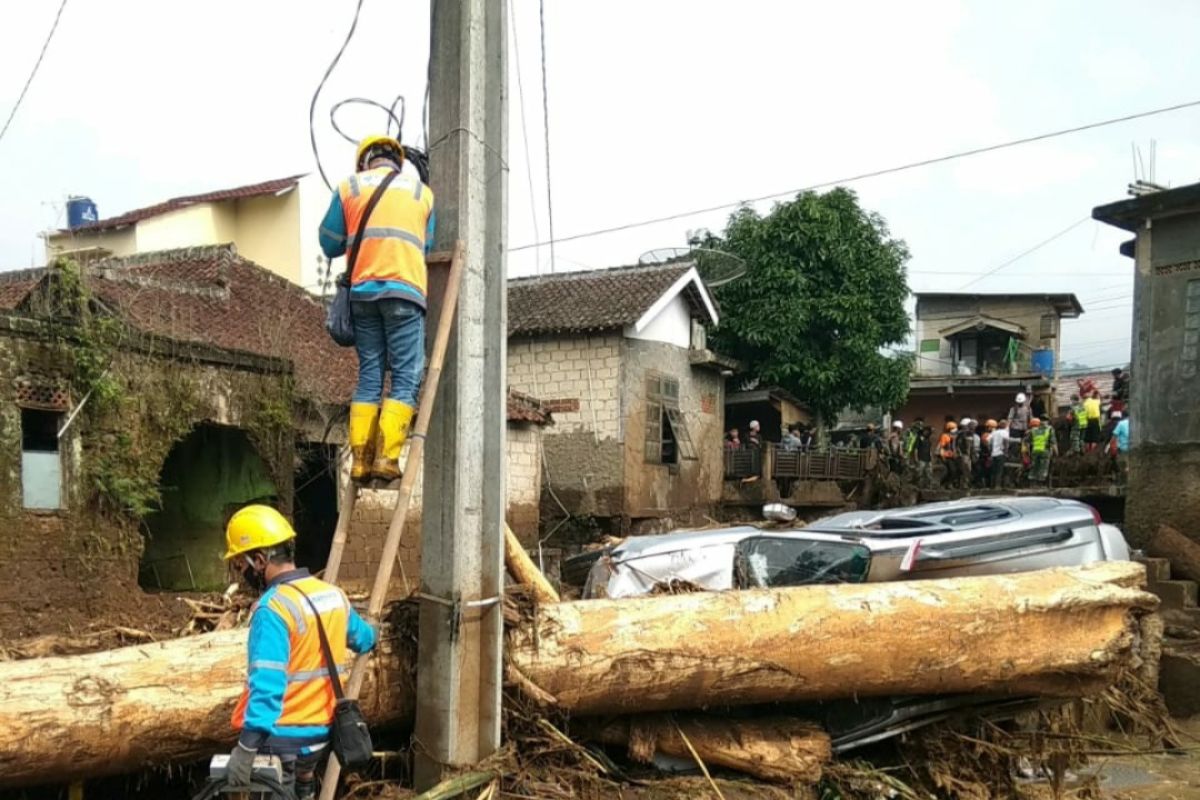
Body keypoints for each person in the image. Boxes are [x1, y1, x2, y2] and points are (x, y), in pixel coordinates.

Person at [222, 506, 377, 800]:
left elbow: (267, 685)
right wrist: (378, 631)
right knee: (304, 789)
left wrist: (246, 748)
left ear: (259, 560)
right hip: (320, 737)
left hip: (281, 740)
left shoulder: (273, 609)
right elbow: (363, 639)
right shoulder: (332, 595)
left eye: (240, 566)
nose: (241, 575)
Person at [320, 135, 436, 483]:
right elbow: (425, 245)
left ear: (364, 161)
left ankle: (359, 462)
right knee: (405, 376)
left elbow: (328, 243)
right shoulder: (421, 194)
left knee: (370, 374)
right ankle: (386, 458)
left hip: (363, 295)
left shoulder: (348, 188)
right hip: (405, 292)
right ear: (398, 162)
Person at [1023, 417, 1056, 485]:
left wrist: (1027, 451)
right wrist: (1056, 452)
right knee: (1043, 468)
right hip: (1045, 451)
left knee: (1034, 467)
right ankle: (1040, 484)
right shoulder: (1049, 429)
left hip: (1035, 451)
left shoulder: (1033, 430)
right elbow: (1053, 442)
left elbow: (1026, 441)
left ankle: (1032, 484)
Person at [955, 418, 976, 489]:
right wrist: (960, 453)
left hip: (967, 455)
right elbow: (959, 445)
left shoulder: (969, 434)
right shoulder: (962, 434)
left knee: (967, 470)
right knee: (965, 469)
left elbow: (971, 446)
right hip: (964, 455)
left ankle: (965, 484)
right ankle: (963, 485)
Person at [989, 419, 1011, 488]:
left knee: (994, 470)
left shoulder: (994, 432)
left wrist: (991, 451)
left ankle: (992, 485)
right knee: (1000, 470)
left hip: (993, 454)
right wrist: (1006, 452)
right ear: (1005, 425)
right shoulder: (1005, 432)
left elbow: (989, 442)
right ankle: (997, 485)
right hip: (1001, 453)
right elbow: (1006, 443)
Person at [939, 420, 959, 487]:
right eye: (952, 428)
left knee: (955, 471)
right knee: (952, 471)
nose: (954, 430)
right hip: (947, 457)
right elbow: (942, 447)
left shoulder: (955, 436)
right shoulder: (945, 436)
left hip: (954, 456)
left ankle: (948, 484)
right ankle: (944, 483)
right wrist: (943, 456)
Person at [1113, 411, 1131, 485]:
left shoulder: (1121, 423)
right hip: (1134, 449)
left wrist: (1114, 448)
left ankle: (1124, 483)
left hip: (1123, 448)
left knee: (1123, 467)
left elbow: (1114, 436)